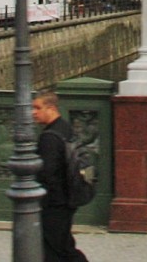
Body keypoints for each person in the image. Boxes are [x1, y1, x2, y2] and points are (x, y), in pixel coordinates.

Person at [32, 91, 88, 262]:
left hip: (55, 201)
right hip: (69, 196)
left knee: (56, 247)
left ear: (51, 108)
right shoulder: (65, 127)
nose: (33, 112)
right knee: (63, 245)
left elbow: (47, 172)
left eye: (37, 108)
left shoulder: (49, 137)